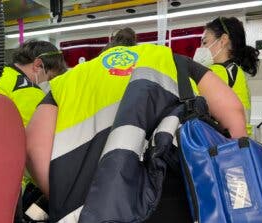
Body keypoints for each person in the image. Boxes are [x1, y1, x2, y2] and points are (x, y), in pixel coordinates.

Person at [26, 42, 246, 222]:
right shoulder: (170, 60)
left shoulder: (67, 81)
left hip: (87, 207)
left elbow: (34, 149)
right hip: (168, 200)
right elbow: (232, 111)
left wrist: (63, 196)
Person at [0, 39, 67, 127]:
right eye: (50, 77)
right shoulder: (29, 90)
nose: (47, 82)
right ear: (38, 65)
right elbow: (36, 135)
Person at [193, 17, 259, 136]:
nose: (201, 48)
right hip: (239, 142)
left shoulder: (217, 71)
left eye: (204, 42)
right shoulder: (236, 70)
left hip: (223, 145)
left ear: (223, 40)